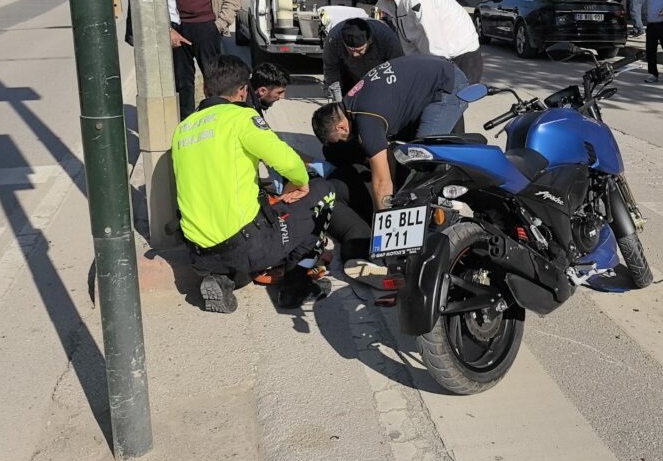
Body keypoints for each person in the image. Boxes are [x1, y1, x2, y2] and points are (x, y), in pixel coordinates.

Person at [171, 56, 382, 312]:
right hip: (246, 245)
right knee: (322, 191)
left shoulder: (183, 128)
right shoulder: (241, 118)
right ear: (241, 91)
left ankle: (220, 277)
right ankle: (296, 287)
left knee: (243, 222)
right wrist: (302, 183)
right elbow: (288, 162)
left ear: (205, 89)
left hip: (198, 251)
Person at [311, 55, 468, 211]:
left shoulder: (366, 119)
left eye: (340, 140)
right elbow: (387, 156)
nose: (345, 142)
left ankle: (445, 197)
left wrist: (384, 220)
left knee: (421, 156)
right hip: (434, 70)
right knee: (404, 153)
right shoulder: (351, 100)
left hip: (448, 83)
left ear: (341, 128)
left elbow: (381, 181)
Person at [362, 0, 483, 82]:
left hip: (460, 58)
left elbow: (437, 47)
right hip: (436, 59)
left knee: (447, 102)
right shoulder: (388, 2)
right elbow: (409, 44)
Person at [322, 17, 404, 101]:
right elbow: (331, 71)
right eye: (350, 50)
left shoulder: (387, 38)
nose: (355, 54)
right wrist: (338, 103)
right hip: (348, 75)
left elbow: (398, 70)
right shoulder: (334, 39)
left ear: (370, 41)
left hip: (381, 78)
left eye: (359, 50)